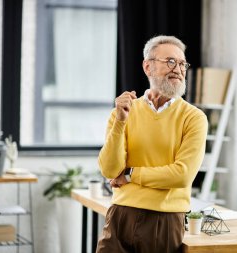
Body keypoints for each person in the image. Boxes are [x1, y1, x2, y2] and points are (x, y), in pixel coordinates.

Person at [96, 35, 208, 253]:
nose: (178, 69)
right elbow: (109, 170)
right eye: (170, 62)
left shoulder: (193, 118)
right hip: (120, 214)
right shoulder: (122, 113)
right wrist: (120, 122)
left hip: (164, 221)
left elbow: (181, 175)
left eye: (182, 64)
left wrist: (129, 174)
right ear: (148, 67)